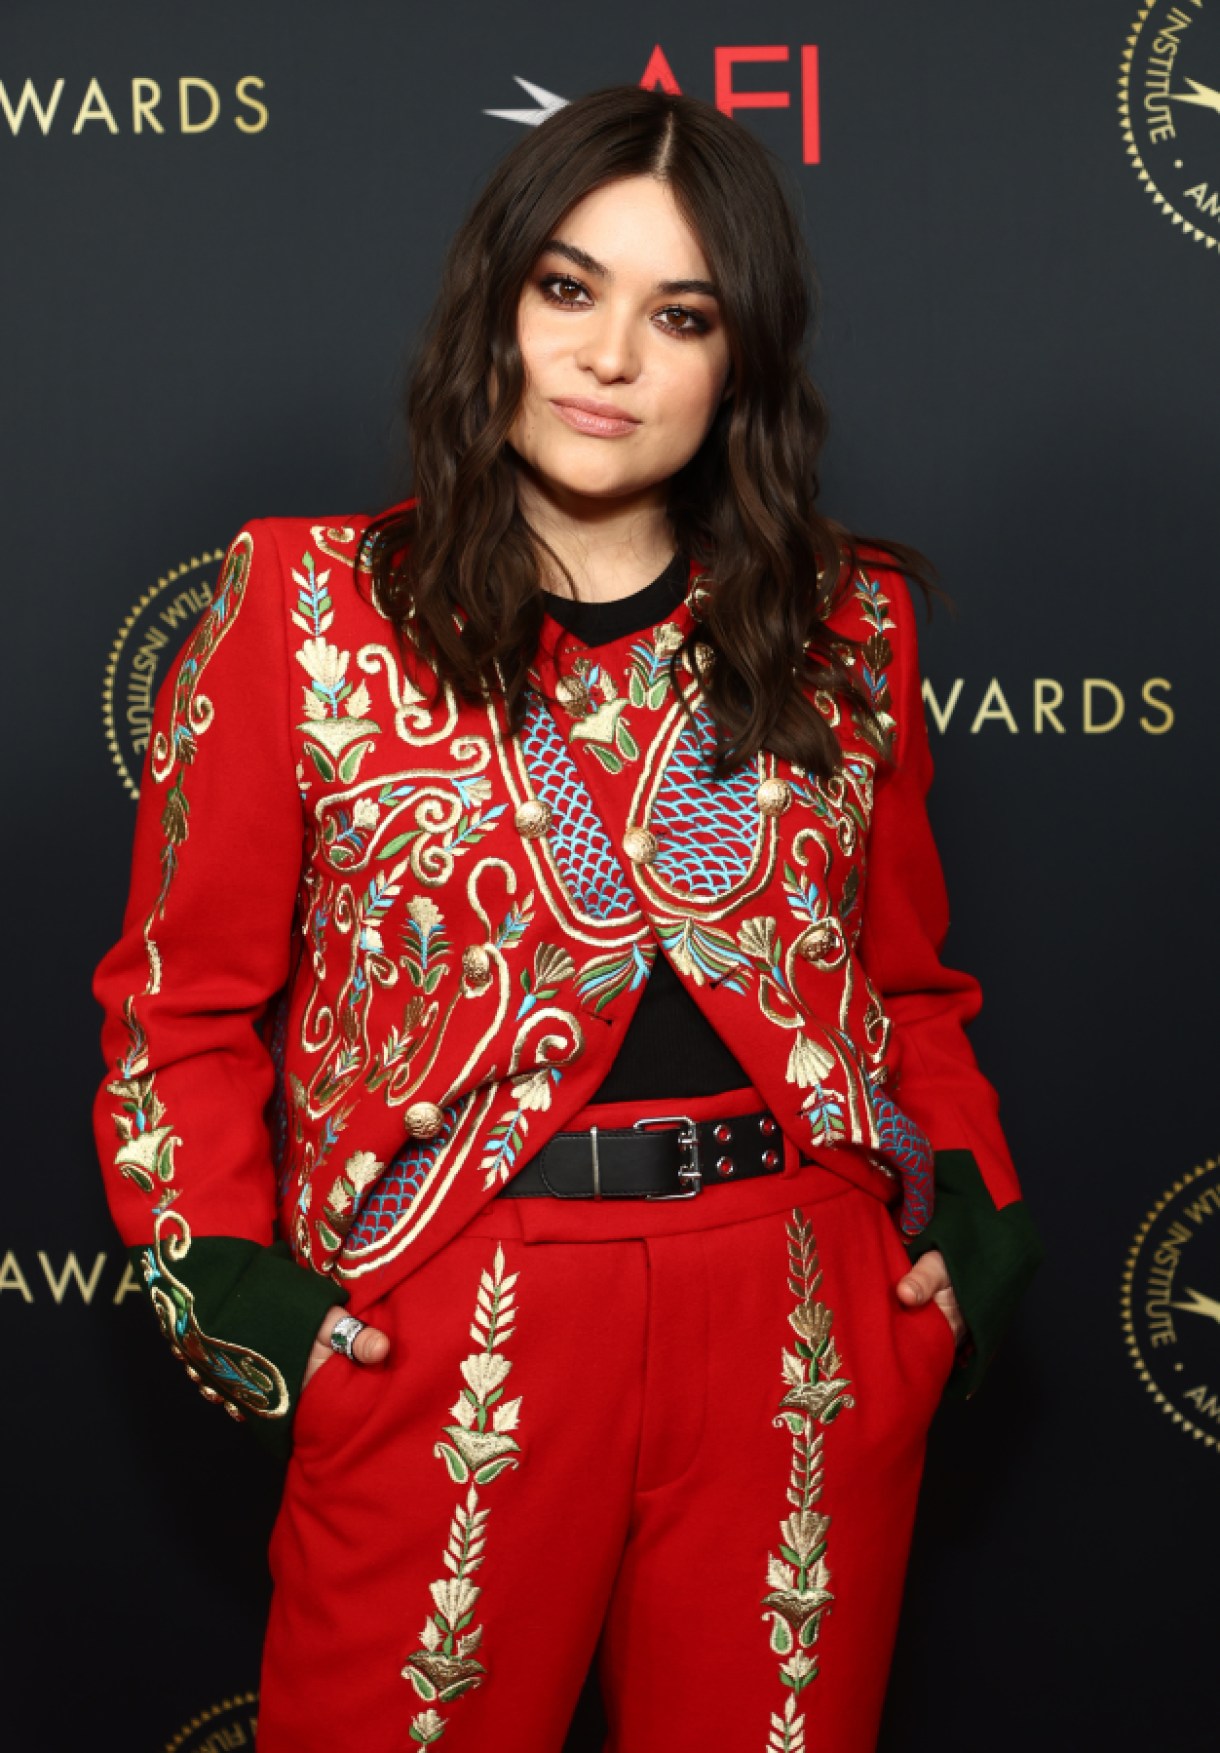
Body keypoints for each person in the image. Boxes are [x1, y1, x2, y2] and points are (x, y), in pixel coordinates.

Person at [93, 84, 1042, 1753]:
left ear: (739, 359)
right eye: (568, 287)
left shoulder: (846, 625)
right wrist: (237, 1295)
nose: (612, 354)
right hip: (452, 1306)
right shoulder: (305, 609)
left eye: (680, 314)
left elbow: (911, 982)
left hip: (799, 1311)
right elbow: (177, 1010)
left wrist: (968, 1213)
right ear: (496, 308)